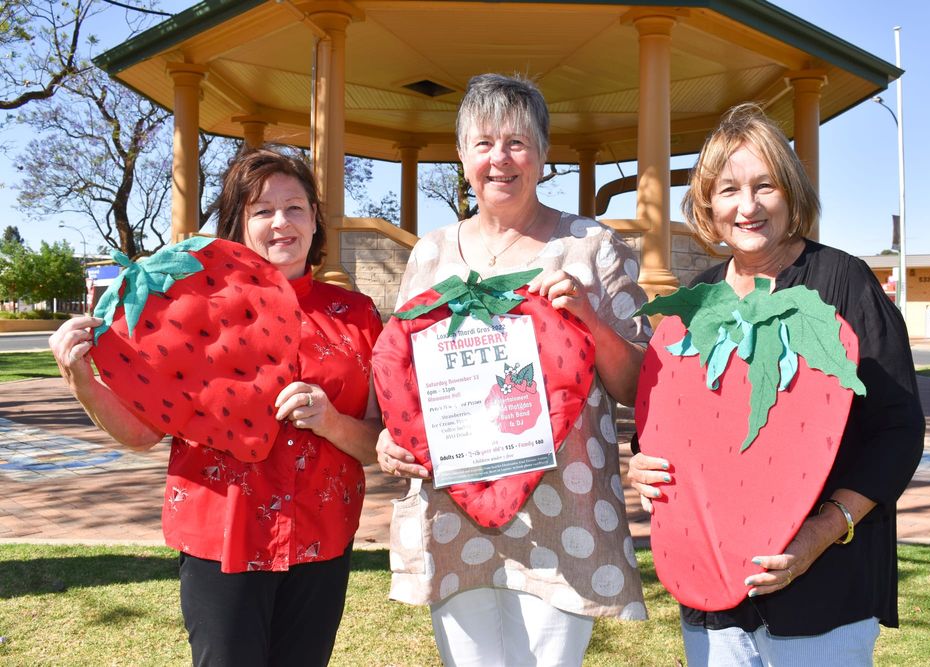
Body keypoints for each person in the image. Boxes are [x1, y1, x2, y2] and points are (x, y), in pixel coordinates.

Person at [48, 148, 383, 666]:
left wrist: (331, 421)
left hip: (322, 535)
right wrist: (81, 379)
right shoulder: (185, 307)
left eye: (295, 208)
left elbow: (377, 444)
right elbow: (142, 434)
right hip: (220, 536)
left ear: (316, 221)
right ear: (238, 225)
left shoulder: (356, 315)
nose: (281, 223)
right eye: (261, 211)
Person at [627, 103, 925, 665]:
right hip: (712, 594)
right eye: (728, 189)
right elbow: (669, 418)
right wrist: (643, 460)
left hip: (826, 591)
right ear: (707, 204)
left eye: (764, 186)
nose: (747, 206)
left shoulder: (844, 282)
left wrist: (819, 534)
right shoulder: (699, 297)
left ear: (790, 192)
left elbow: (899, 430)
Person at [375, 73, 649, 666]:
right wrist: (390, 438)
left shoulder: (593, 247)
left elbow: (636, 384)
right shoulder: (431, 254)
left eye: (517, 142)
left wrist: (588, 318)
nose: (500, 159)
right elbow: (402, 377)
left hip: (565, 514)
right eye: (483, 143)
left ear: (545, 155)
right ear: (462, 155)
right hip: (454, 514)